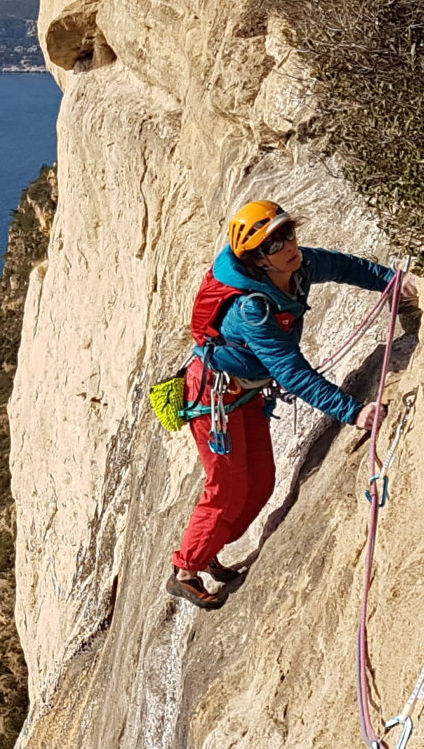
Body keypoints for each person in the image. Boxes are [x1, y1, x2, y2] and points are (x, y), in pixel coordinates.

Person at [169, 200, 404, 609]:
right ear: (258, 259)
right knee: (227, 488)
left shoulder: (299, 267)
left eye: (288, 233)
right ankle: (186, 570)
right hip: (213, 398)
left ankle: (208, 551)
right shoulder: (251, 309)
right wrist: (353, 412)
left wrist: (392, 281)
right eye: (274, 243)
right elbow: (292, 372)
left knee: (261, 484)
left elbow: (346, 267)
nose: (289, 246)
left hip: (244, 392)